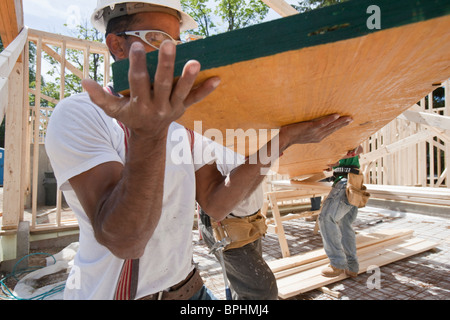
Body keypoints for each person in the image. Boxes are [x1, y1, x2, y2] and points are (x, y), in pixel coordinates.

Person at [45, 0, 353, 300]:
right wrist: (150, 135)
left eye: (176, 43)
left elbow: (217, 204)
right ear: (117, 45)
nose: (172, 53)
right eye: (157, 39)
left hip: (190, 289)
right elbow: (126, 242)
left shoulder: (187, 123)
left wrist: (282, 140)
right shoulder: (80, 114)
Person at [199, 146, 278, 300]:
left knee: (244, 287)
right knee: (261, 291)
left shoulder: (250, 137)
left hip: (251, 219)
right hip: (225, 225)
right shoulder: (208, 139)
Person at [318, 145, 364, 278]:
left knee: (326, 218)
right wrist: (334, 164)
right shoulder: (345, 135)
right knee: (345, 225)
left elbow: (358, 149)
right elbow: (357, 151)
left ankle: (337, 263)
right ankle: (352, 266)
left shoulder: (342, 134)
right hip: (354, 181)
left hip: (345, 182)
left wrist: (337, 159)